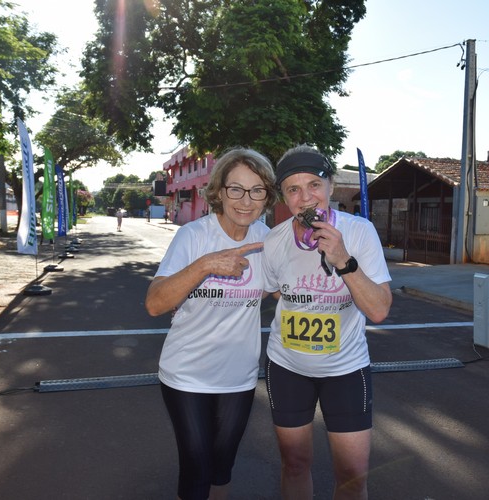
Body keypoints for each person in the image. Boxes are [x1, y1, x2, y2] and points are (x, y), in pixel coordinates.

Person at [144, 148, 277, 500]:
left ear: (267, 197)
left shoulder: (269, 242)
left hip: (239, 376)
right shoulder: (193, 237)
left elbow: (282, 292)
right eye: (236, 189)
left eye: (257, 190)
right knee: (197, 466)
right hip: (187, 373)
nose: (246, 201)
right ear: (218, 191)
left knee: (222, 466)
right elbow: (155, 303)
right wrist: (204, 266)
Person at [261, 145, 393, 499]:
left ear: (331, 186)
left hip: (346, 368)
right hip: (287, 365)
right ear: (284, 197)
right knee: (295, 463)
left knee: (352, 474)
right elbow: (275, 292)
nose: (306, 198)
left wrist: (342, 259)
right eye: (293, 189)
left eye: (314, 184)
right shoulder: (273, 240)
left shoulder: (360, 232)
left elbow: (379, 310)